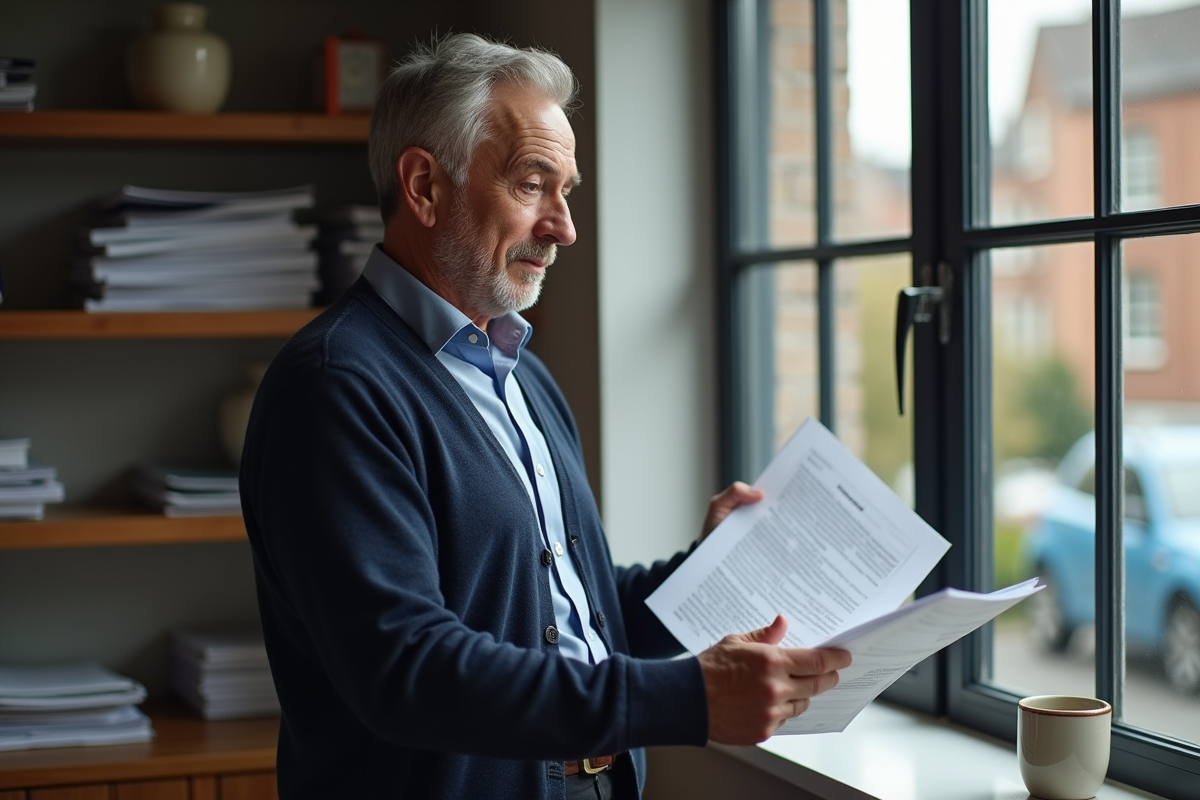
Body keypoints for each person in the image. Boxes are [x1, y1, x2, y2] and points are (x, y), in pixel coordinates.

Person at [240, 32, 850, 800]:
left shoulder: (521, 373)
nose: (563, 228)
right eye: (534, 185)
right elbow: (407, 668)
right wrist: (687, 699)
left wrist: (712, 570)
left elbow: (567, 615)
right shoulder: (335, 389)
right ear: (425, 186)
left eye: (568, 192)